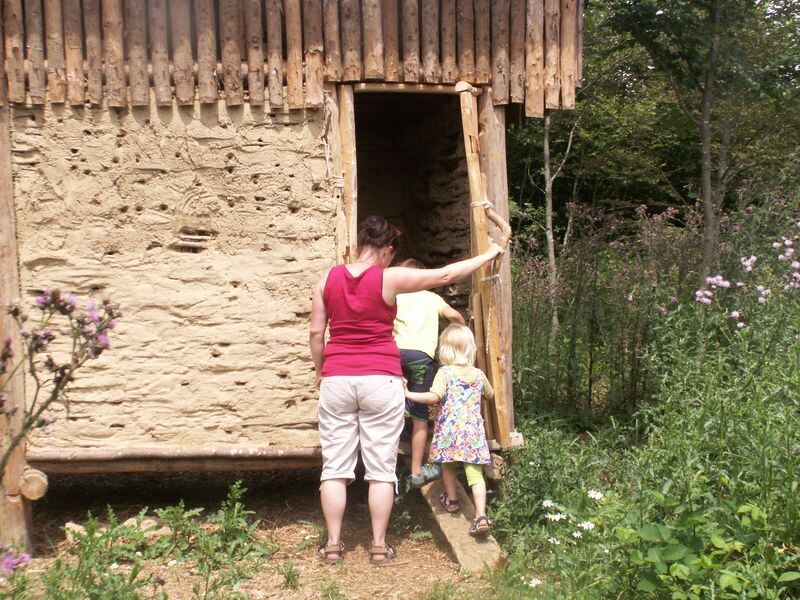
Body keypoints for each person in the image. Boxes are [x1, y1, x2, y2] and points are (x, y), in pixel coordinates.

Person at [309, 216, 502, 565]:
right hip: (381, 378)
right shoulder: (388, 277)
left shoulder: (327, 278)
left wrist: (321, 371)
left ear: (360, 244)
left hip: (337, 377)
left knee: (335, 467)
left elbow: (315, 333)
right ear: (386, 249)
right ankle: (379, 546)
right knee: (381, 468)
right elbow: (445, 275)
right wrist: (490, 253)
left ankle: (334, 545)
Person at [403, 324, 494, 537]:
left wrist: (409, 394)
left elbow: (433, 397)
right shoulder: (479, 375)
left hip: (450, 434)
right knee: (475, 474)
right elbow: (489, 395)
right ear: (469, 348)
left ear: (446, 349)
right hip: (472, 434)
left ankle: (452, 501)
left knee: (448, 465)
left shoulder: (445, 373)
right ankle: (481, 516)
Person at [393, 258, 465, 488]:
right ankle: (416, 472)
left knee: (388, 407)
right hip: (420, 357)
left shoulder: (395, 296)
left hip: (392, 354)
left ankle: (385, 466)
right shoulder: (432, 297)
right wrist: (462, 334)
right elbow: (454, 316)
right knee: (420, 416)